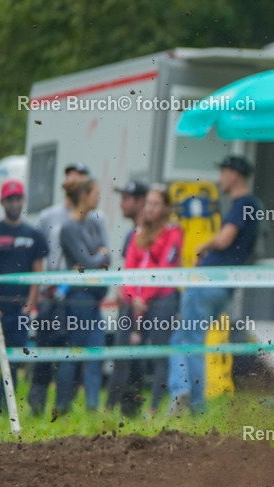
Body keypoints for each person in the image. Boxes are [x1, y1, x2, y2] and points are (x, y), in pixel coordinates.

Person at [168, 155, 260, 414]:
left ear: (234, 175)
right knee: (187, 339)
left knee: (187, 341)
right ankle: (188, 397)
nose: (219, 179)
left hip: (209, 283)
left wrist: (202, 246)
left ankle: (188, 397)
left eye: (222, 173)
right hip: (224, 287)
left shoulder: (242, 204)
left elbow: (224, 239)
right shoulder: (251, 205)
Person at [27, 163, 100, 414]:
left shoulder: (92, 220)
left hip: (76, 293)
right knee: (46, 351)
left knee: (71, 352)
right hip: (53, 293)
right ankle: (36, 405)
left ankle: (62, 406)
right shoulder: (49, 216)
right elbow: (39, 256)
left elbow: (96, 257)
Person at [108, 188, 183, 416]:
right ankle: (115, 407)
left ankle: (154, 408)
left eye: (156, 204)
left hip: (162, 300)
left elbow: (165, 269)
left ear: (166, 208)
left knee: (160, 354)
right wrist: (133, 297)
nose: (149, 208)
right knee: (125, 353)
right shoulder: (137, 233)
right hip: (135, 303)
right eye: (148, 203)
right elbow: (129, 268)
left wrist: (144, 298)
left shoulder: (174, 232)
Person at [0, 180, 48, 414]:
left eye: (18, 198)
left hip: (19, 310)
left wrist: (30, 305)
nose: (14, 203)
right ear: (2, 202)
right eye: (10, 199)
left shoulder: (34, 235)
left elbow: (37, 272)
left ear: (23, 201)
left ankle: (2, 408)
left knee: (12, 361)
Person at [54, 178, 110, 414]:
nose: (99, 197)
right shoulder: (68, 228)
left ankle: (92, 407)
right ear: (85, 195)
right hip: (78, 299)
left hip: (94, 298)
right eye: (96, 193)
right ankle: (62, 406)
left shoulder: (93, 224)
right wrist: (98, 258)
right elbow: (91, 261)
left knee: (96, 351)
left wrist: (97, 259)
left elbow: (105, 258)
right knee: (74, 352)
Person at [114, 179, 149, 256]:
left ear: (141, 201)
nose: (121, 205)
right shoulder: (130, 235)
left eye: (125, 199)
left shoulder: (154, 234)